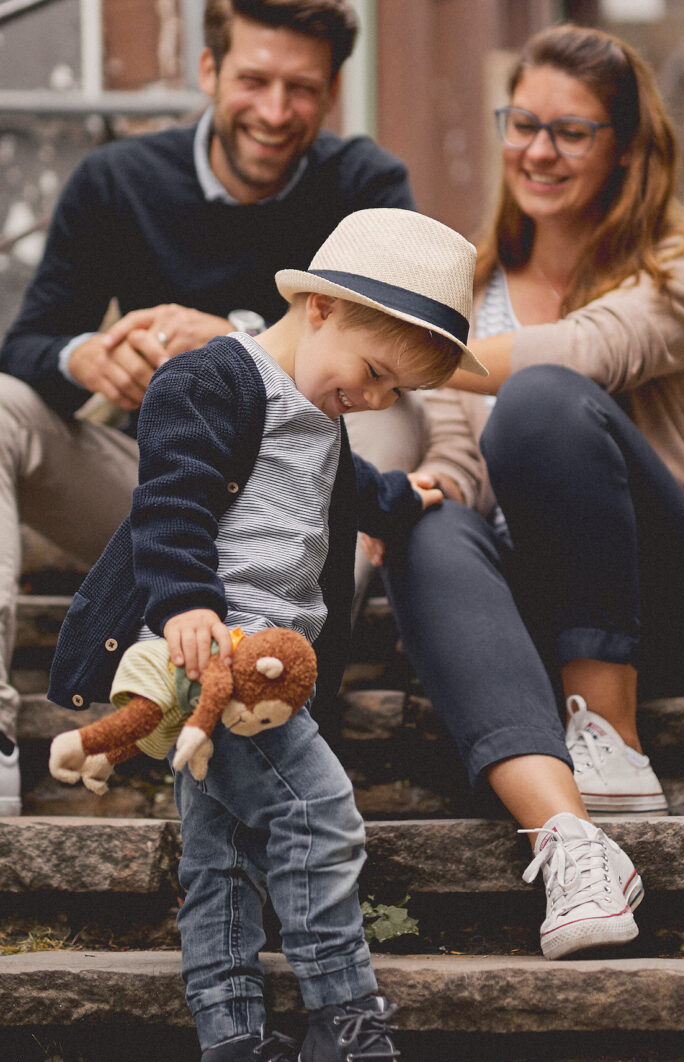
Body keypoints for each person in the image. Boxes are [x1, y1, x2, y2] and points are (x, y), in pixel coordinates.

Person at [47, 206, 487, 1062]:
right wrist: (188, 605)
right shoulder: (210, 381)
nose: (373, 402)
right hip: (217, 664)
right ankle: (342, 1022)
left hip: (263, 684)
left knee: (222, 858)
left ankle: (233, 1055)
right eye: (373, 376)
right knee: (322, 818)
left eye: (392, 394)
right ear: (320, 308)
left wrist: (404, 494)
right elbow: (171, 501)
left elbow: (345, 486)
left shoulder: (324, 414)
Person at [346, 23, 684, 962]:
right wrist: (419, 488)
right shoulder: (476, 283)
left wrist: (405, 351)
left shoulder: (679, 268)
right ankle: (569, 841)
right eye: (523, 122)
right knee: (430, 521)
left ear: (624, 145)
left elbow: (587, 354)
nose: (538, 149)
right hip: (534, 606)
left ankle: (610, 727)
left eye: (571, 132)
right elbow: (455, 452)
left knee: (540, 398)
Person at [0, 0, 417, 816]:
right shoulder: (117, 179)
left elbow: (398, 363)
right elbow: (27, 343)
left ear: (331, 92)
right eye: (253, 80)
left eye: (300, 88)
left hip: (307, 505)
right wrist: (82, 354)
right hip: (168, 506)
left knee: (377, 415)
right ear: (207, 73)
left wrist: (237, 340)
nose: (273, 110)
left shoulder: (367, 185)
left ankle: (292, 700)